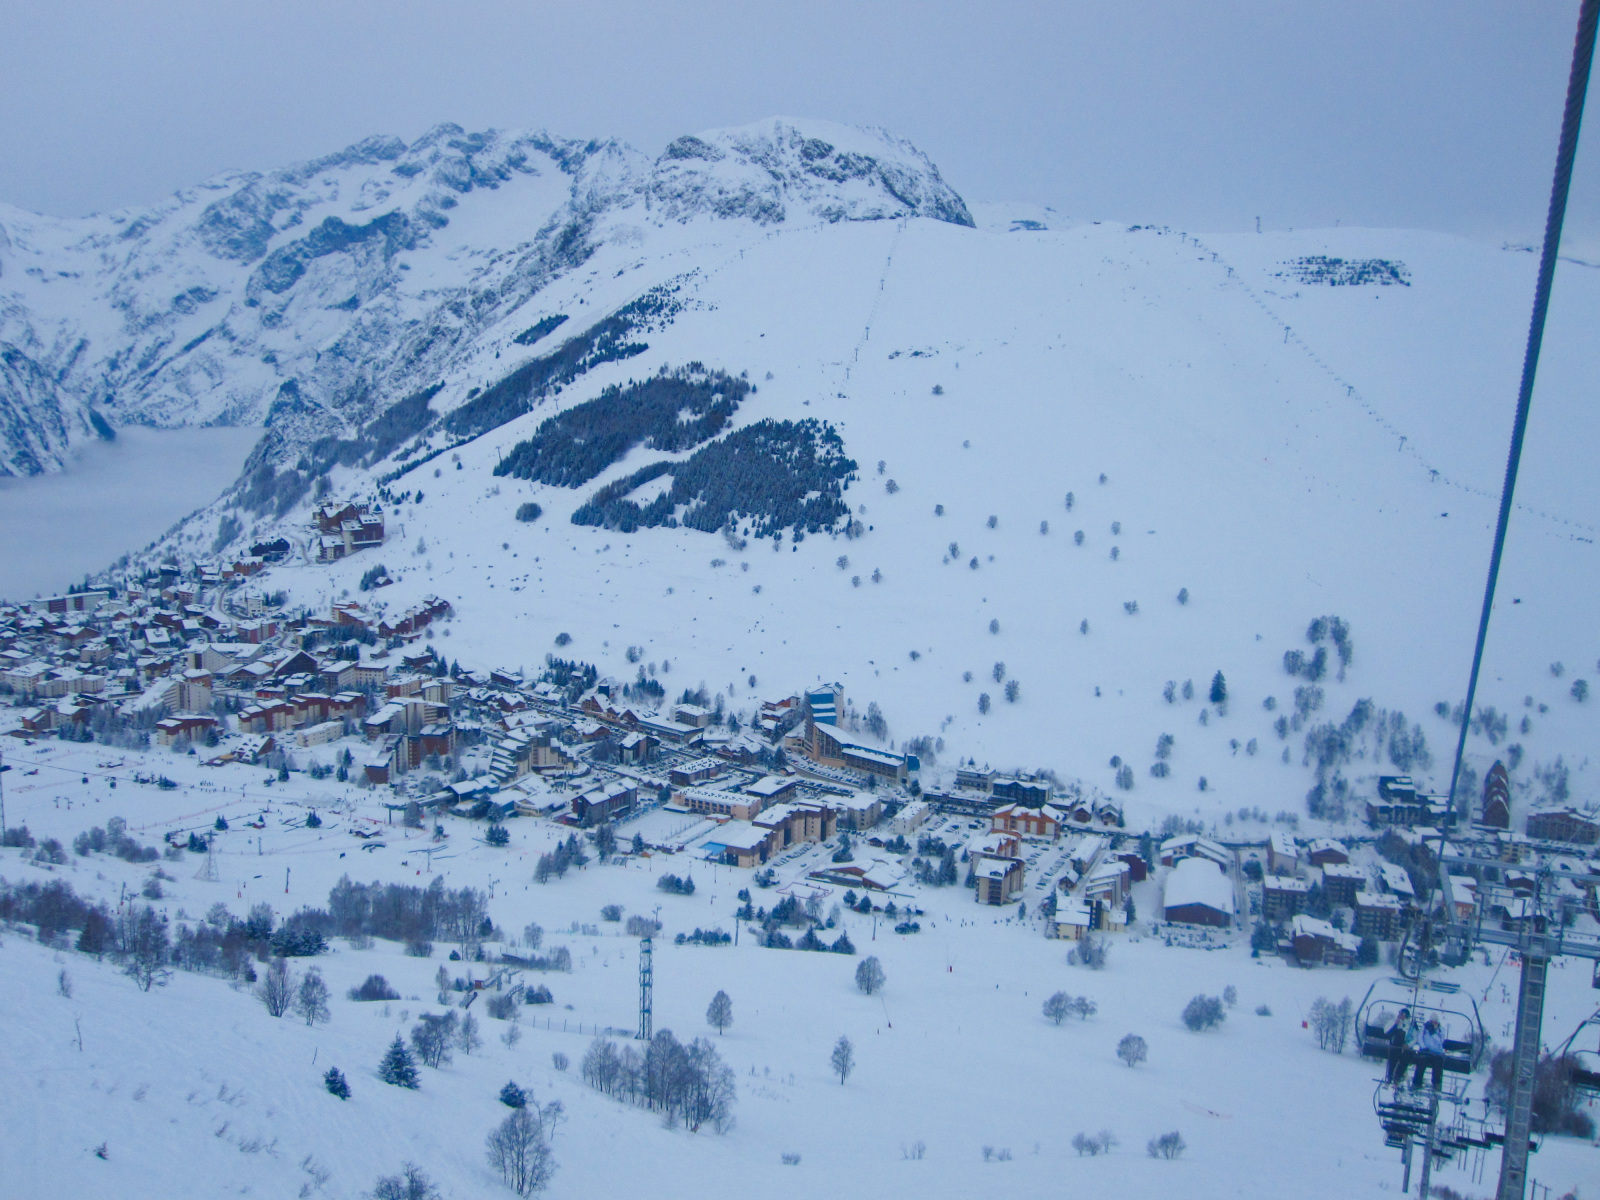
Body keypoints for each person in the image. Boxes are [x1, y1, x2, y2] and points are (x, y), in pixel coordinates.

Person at [1412, 1017, 1445, 1091]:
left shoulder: (1441, 1030)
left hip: (1437, 1052)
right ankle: (1417, 1083)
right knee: (1421, 1061)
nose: (1433, 1024)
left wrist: (1433, 1033)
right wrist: (1423, 1047)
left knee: (1438, 1063)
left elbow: (1440, 1042)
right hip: (1426, 1051)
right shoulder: (1424, 1028)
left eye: (1435, 1023)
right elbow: (1420, 1037)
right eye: (1432, 1022)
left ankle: (1436, 1083)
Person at [1384, 1008, 1413, 1083]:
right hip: (1395, 1045)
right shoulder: (1394, 1022)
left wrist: (1408, 1044)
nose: (1400, 1015)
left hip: (1405, 1047)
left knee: (1405, 1056)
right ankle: (1390, 1075)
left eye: (1402, 1014)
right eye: (1400, 1013)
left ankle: (1397, 1076)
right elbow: (1387, 1034)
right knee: (1394, 1052)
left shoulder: (1410, 1025)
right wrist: (1395, 1024)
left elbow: (1414, 1037)